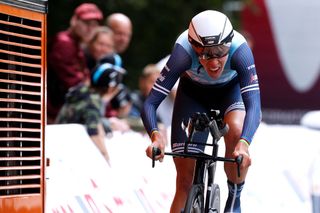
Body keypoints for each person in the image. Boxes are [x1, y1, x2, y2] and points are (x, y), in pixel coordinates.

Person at [141, 10, 261, 213]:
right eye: (205, 54)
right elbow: (151, 102)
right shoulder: (182, 53)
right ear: (194, 47)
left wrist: (244, 144)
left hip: (229, 93)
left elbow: (254, 107)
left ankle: (235, 197)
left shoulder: (240, 50)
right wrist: (155, 136)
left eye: (221, 51)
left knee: (236, 130)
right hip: (193, 95)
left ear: (229, 43)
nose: (214, 62)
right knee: (184, 184)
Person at [55, 60, 126, 166]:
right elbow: (94, 131)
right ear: (111, 87)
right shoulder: (93, 100)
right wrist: (107, 159)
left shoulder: (83, 91)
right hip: (61, 152)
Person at [47, 3, 103, 124]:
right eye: (87, 23)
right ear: (74, 20)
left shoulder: (77, 45)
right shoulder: (64, 43)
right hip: (52, 116)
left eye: (94, 25)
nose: (90, 29)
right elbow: (75, 85)